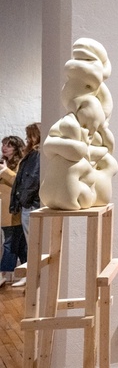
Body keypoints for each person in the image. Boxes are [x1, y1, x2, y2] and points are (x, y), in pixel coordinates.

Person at [9, 123, 41, 288]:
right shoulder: (34, 154)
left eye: (30, 135)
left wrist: (24, 200)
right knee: (32, 242)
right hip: (30, 203)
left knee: (33, 242)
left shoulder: (36, 155)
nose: (27, 138)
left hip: (31, 205)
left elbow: (31, 180)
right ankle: (32, 276)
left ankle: (33, 277)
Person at [1, 135, 27, 286]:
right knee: (20, 245)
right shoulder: (4, 162)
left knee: (10, 244)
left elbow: (20, 183)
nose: (4, 147)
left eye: (9, 145)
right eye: (3, 144)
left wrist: (5, 171)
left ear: (16, 148)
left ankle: (3, 273)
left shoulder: (21, 164)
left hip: (14, 210)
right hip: (3, 211)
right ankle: (27, 274)